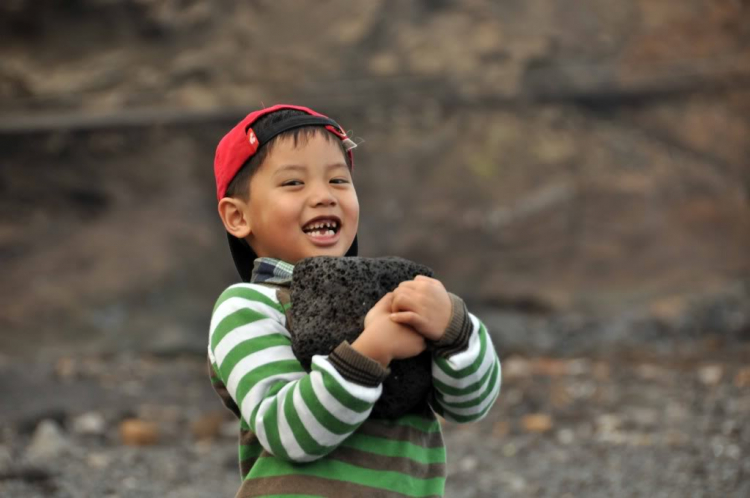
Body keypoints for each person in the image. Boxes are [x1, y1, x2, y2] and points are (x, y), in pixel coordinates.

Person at [208, 104, 501, 497]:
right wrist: (372, 350)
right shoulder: (247, 307)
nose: (323, 196)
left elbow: (470, 406)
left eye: (339, 181)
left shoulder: (392, 296)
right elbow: (288, 432)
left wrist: (455, 328)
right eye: (294, 183)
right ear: (238, 217)